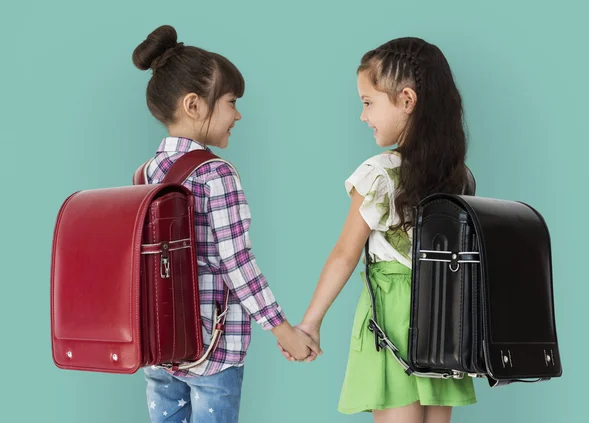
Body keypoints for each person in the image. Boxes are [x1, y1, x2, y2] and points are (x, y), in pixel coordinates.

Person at [279, 37, 477, 423]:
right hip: (444, 317)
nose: (363, 116)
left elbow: (345, 254)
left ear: (406, 100)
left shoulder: (380, 173)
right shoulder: (460, 177)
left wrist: (311, 323)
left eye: (368, 102)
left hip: (394, 316)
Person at [133, 24, 321, 423]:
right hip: (213, 350)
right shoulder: (215, 174)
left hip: (158, 345)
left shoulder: (144, 175)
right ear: (194, 105)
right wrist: (283, 330)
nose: (237, 114)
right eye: (231, 101)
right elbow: (236, 262)